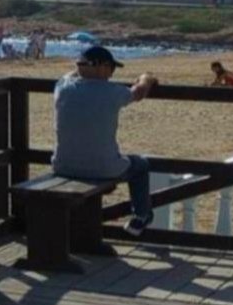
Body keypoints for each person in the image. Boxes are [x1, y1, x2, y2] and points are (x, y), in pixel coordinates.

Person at [52, 46, 157, 236]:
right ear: (103, 67)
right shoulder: (113, 92)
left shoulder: (63, 88)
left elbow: (70, 75)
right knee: (140, 165)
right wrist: (146, 78)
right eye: (111, 68)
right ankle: (141, 217)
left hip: (63, 166)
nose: (111, 74)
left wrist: (82, 67)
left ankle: (81, 235)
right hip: (104, 168)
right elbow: (139, 91)